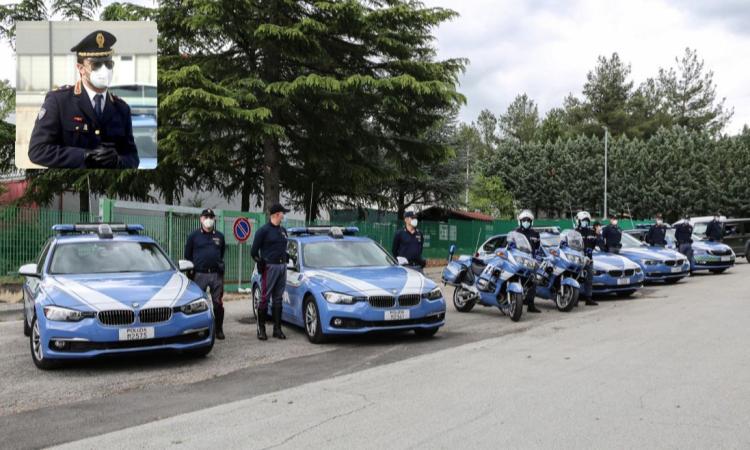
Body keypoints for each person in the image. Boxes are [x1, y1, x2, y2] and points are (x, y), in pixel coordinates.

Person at [27, 30, 139, 169]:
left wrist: (118, 161)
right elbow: (37, 150)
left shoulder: (121, 108)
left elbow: (133, 157)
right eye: (96, 65)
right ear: (81, 68)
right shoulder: (59, 101)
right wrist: (84, 156)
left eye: (108, 64)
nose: (104, 70)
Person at [184, 209, 226, 340]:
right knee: (196, 304)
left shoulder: (219, 236)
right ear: (201, 219)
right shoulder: (193, 236)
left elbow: (222, 252)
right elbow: (187, 255)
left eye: (211, 217)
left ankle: (219, 329)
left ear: (214, 219)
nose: (209, 219)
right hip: (199, 274)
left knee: (218, 303)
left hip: (215, 274)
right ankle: (196, 330)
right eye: (206, 216)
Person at [251, 203, 290, 341]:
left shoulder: (283, 230)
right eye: (282, 213)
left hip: (282, 267)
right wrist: (260, 261)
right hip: (270, 267)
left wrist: (286, 256)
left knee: (278, 298)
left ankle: (277, 329)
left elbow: (283, 247)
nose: (284, 215)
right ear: (277, 215)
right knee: (264, 298)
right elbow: (253, 252)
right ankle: (261, 329)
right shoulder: (263, 231)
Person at [515, 209, 542, 313]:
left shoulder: (535, 234)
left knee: (533, 282)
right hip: (518, 261)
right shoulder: (516, 232)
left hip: (531, 261)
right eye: (524, 220)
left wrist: (537, 259)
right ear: (520, 221)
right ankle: (514, 302)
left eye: (528, 220)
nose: (526, 222)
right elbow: (511, 246)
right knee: (516, 279)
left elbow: (537, 248)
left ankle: (531, 305)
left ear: (531, 222)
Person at [575, 211, 598, 306]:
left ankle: (588, 298)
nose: (586, 222)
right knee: (576, 278)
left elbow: (593, 244)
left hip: (589, 259)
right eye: (584, 220)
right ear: (579, 221)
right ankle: (574, 299)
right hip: (577, 260)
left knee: (589, 279)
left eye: (587, 221)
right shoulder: (575, 232)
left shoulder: (592, 232)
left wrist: (589, 251)